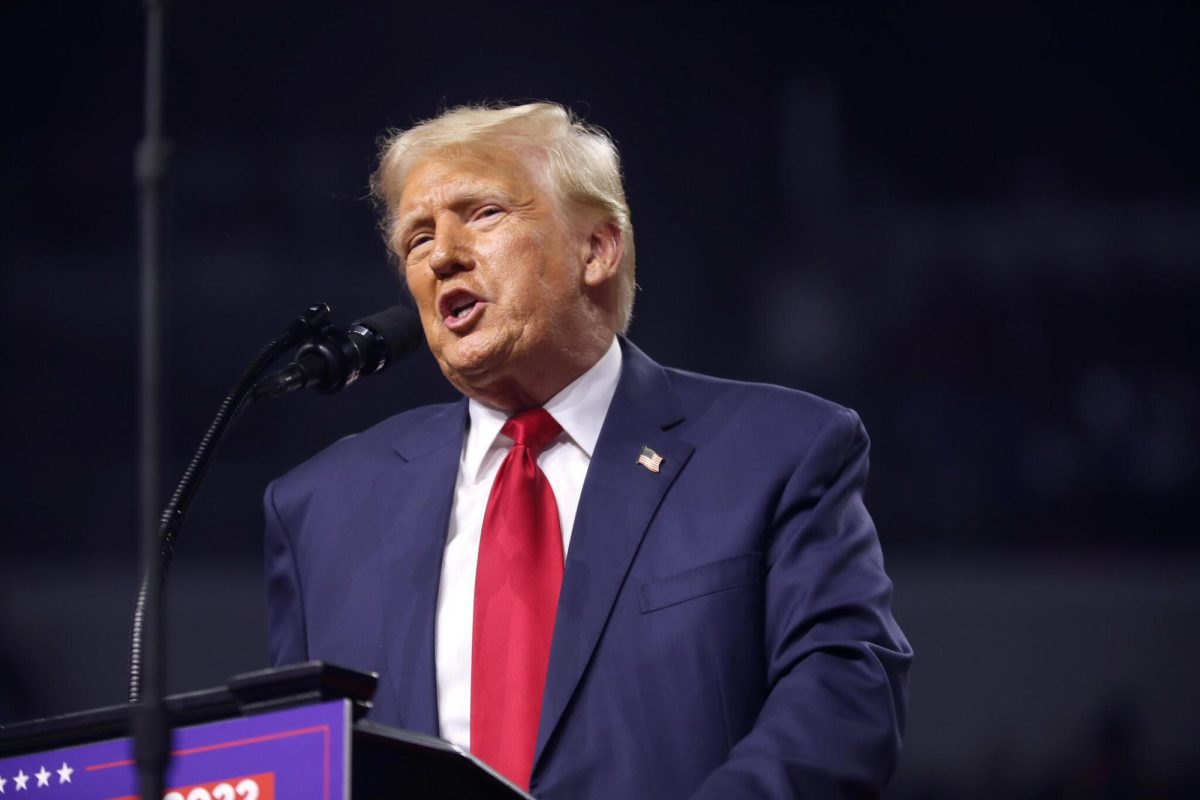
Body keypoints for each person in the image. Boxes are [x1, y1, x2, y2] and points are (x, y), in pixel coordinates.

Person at [264, 102, 911, 799]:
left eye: (481, 213)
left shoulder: (776, 453)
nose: (442, 253)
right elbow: (304, 767)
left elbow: (843, 697)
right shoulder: (322, 509)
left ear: (597, 248)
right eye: (417, 239)